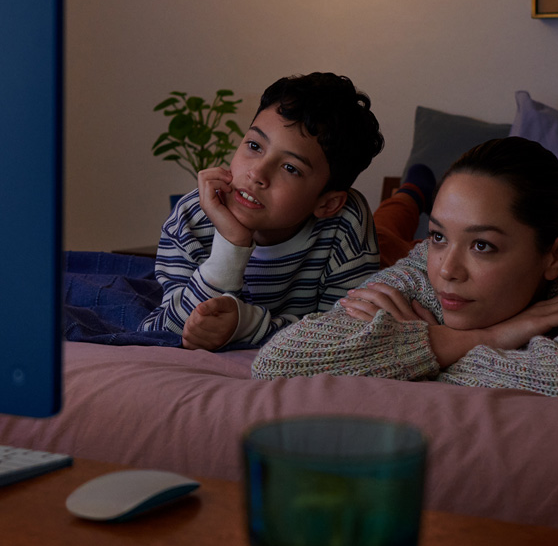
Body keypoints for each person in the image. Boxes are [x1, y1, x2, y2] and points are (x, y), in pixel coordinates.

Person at [252, 136, 558, 398]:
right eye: (438, 235)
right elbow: (280, 360)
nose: (448, 271)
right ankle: (413, 193)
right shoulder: (427, 266)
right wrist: (487, 336)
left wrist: (410, 354)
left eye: (482, 246)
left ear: (555, 254)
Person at [141, 72, 385, 350]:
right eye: (254, 146)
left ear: (327, 204)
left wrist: (246, 325)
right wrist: (231, 246)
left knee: (393, 229)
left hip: (371, 245)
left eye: (290, 168)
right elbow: (164, 331)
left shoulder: (345, 222)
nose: (257, 173)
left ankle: (411, 192)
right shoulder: (191, 218)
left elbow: (349, 333)